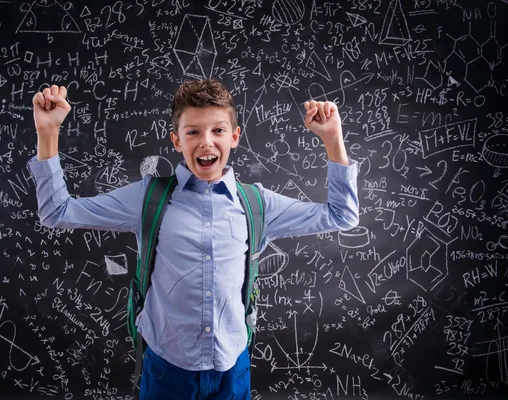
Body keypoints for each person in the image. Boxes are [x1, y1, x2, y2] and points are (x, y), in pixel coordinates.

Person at [28, 79, 359, 399]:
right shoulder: (149, 199)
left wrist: (332, 139)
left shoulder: (257, 204)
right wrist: (48, 132)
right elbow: (57, 212)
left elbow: (342, 215)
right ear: (176, 141)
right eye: (193, 132)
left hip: (232, 367)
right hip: (167, 368)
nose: (206, 142)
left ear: (234, 137)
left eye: (217, 130)